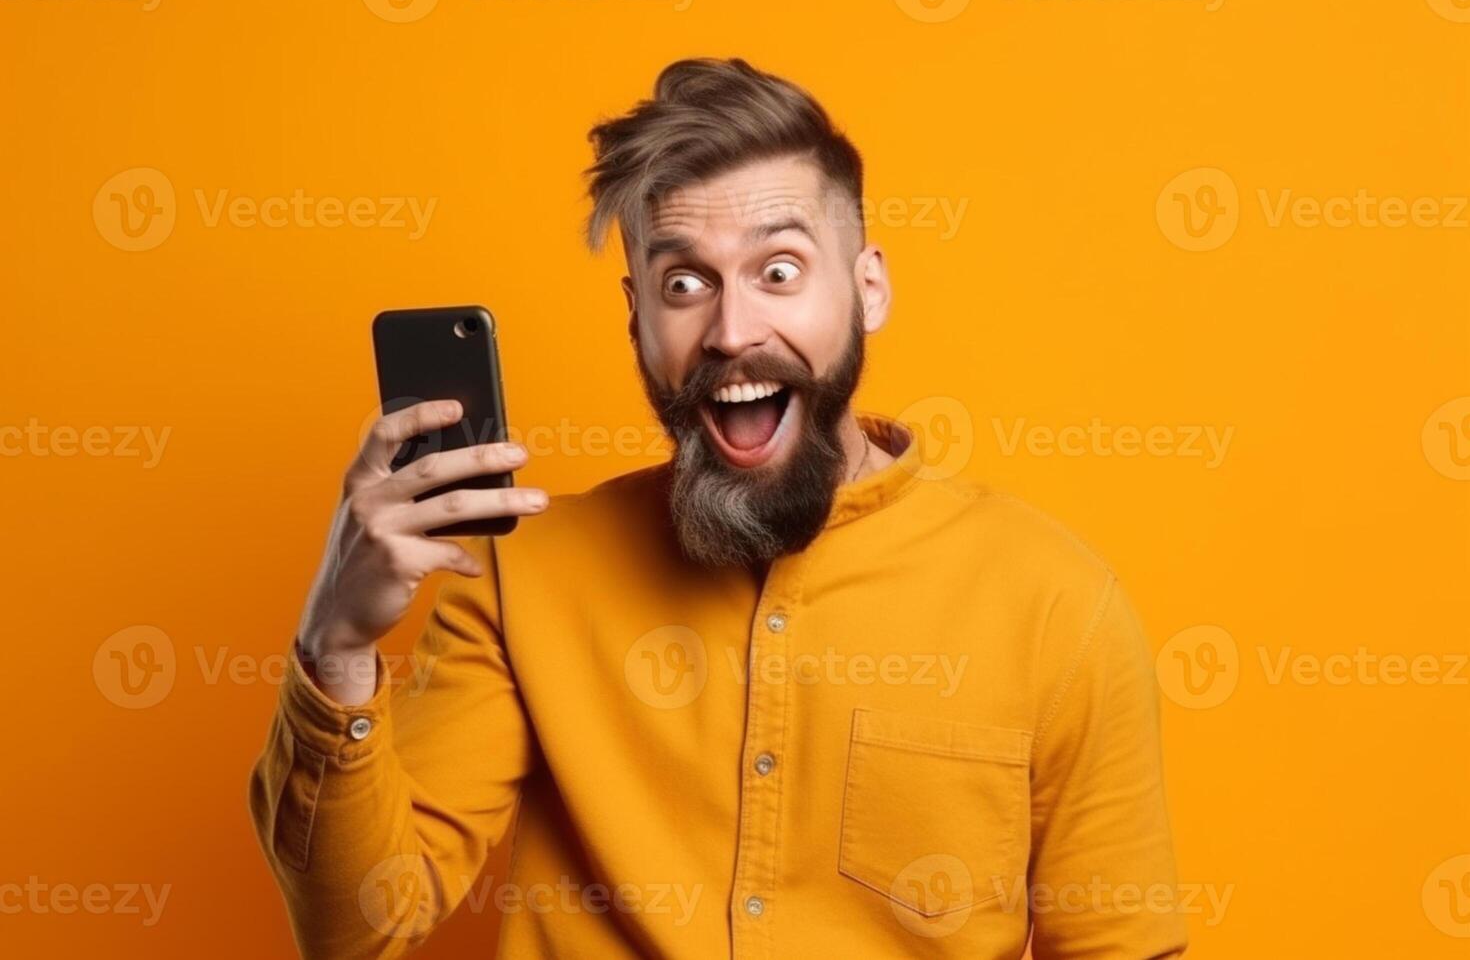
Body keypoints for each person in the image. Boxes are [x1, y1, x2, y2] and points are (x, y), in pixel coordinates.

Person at [248, 56, 1187, 959]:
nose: (732, 331)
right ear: (636, 318)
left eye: (778, 271)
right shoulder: (515, 574)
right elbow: (357, 927)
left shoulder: (1058, 604)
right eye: (685, 284)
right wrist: (337, 648)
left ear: (867, 290)